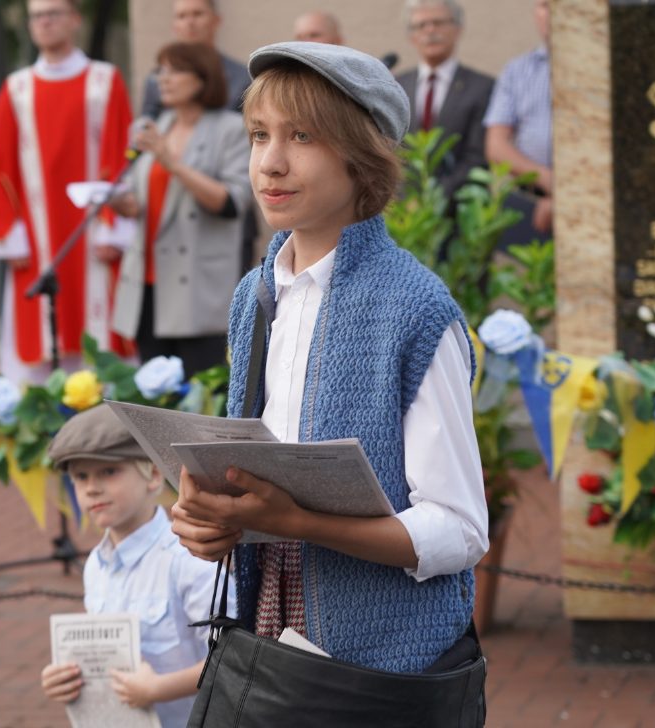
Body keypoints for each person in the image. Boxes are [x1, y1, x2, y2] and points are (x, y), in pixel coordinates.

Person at [170, 41, 488, 677]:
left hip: (386, 669)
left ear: (361, 155)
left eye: (303, 136)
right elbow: (255, 475)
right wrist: (210, 519)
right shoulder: (255, 294)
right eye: (259, 136)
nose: (272, 163)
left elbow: (459, 531)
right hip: (269, 643)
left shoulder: (414, 307)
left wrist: (298, 521)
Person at [41, 404, 226, 728]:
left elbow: (229, 659)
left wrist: (158, 689)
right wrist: (66, 676)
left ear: (153, 475)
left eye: (108, 472)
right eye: (80, 477)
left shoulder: (188, 560)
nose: (91, 487)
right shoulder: (95, 567)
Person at [0, 0, 134, 382]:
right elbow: (0, 165)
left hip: (92, 236)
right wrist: (8, 233)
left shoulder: (104, 81)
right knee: (38, 343)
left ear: (75, 19)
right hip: (36, 240)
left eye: (53, 13)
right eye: (36, 16)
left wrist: (114, 227)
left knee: (98, 345)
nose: (44, 22)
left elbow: (121, 156)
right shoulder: (16, 89)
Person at [109, 42, 251, 377]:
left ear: (202, 78)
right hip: (146, 282)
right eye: (160, 70)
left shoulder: (230, 129)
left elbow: (232, 203)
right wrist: (126, 204)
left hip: (196, 287)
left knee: (199, 399)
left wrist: (171, 162)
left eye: (175, 70)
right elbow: (149, 199)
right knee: (154, 401)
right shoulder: (154, 126)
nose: (163, 78)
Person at [395, 0, 493, 199]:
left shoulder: (483, 87)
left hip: (460, 209)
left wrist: (436, 199)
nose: (430, 31)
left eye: (438, 23)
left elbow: (477, 156)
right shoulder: (396, 86)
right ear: (411, 37)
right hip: (404, 212)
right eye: (421, 25)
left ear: (458, 29)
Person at [484, 0, 553, 240]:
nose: (552, 12)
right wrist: (549, 181)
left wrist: (568, 195)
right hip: (530, 201)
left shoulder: (605, 64)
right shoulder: (517, 70)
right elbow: (496, 147)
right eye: (545, 5)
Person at [139, 0, 249, 120]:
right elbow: (146, 125)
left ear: (216, 20)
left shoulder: (242, 79)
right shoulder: (156, 80)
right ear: (174, 26)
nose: (190, 23)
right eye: (182, 16)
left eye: (197, 14)